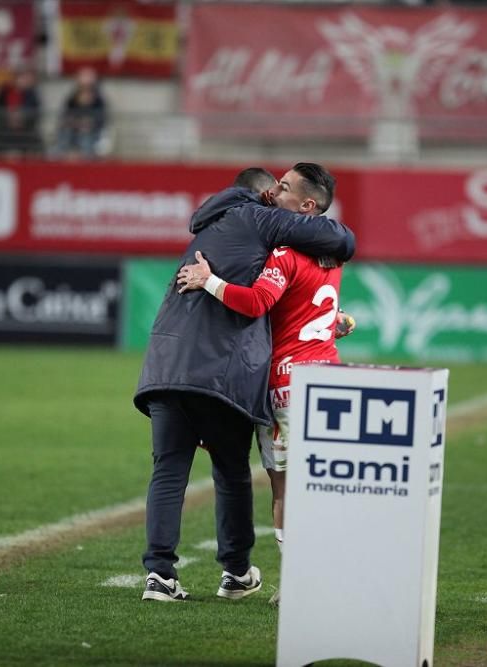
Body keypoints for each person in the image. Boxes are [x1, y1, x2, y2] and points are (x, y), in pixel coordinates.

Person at [133, 164, 355, 603]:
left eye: (283, 187)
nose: (276, 193)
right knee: (233, 473)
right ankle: (236, 573)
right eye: (275, 188)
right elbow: (342, 239)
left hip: (167, 364)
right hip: (220, 372)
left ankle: (159, 574)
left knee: (168, 470)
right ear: (262, 196)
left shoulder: (211, 225)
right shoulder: (261, 216)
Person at [54, 67, 108, 160]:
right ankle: (59, 157)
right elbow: (65, 116)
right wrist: (74, 122)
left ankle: (86, 160)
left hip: (92, 133)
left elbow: (101, 120)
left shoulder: (99, 101)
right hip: (73, 130)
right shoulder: (71, 99)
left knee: (85, 135)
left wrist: (89, 123)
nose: (85, 81)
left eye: (88, 77)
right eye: (83, 77)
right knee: (65, 132)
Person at [0, 69, 43, 159]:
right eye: (23, 78)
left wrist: (22, 117)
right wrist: (9, 117)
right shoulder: (4, 91)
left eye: (27, 79)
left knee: (35, 140)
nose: (25, 81)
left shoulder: (32, 94)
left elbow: (35, 111)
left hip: (25, 128)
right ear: (16, 79)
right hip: (6, 127)